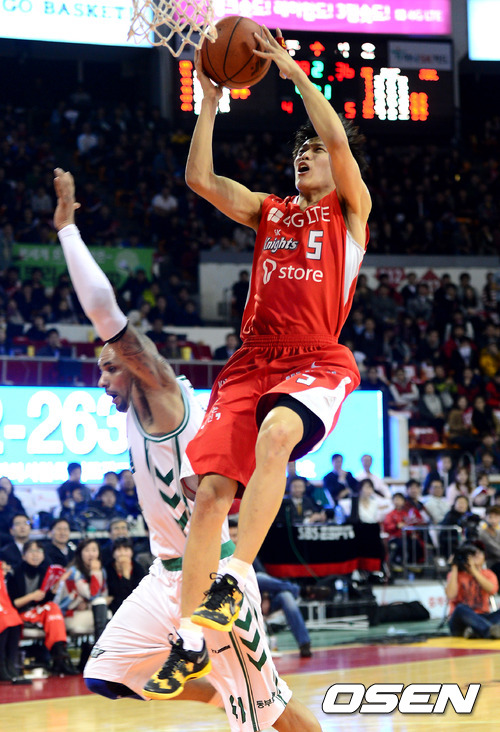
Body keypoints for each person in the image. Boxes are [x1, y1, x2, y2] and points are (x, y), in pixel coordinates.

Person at [53, 168, 320, 730]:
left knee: (272, 714)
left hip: (212, 580)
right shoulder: (135, 411)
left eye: (110, 368)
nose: (102, 381)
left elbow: (106, 315)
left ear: (137, 367)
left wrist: (67, 232)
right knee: (109, 673)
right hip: (163, 577)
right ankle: (222, 694)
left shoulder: (163, 398)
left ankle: (240, 695)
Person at [157, 30, 370, 690]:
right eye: (300, 151)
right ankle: (190, 637)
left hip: (316, 358)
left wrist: (296, 74)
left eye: (316, 151)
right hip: (252, 362)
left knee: (278, 433)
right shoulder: (270, 211)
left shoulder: (351, 213)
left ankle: (239, 573)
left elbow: (337, 141)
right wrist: (210, 101)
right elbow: (199, 179)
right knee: (209, 495)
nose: (307, 155)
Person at [229, 519, 312, 658]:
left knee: (286, 596)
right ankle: (300, 590)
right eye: (231, 536)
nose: (234, 539)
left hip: (260, 599)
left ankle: (304, 644)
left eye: (236, 535)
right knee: (257, 577)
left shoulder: (247, 553)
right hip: (238, 602)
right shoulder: (223, 557)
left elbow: (265, 579)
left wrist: (266, 597)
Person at [7, 541, 78, 675]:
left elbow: (44, 600)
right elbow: (12, 604)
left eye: (39, 551)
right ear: (23, 555)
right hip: (19, 613)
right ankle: (60, 658)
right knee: (52, 611)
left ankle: (59, 657)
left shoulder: (45, 571)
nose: (36, 555)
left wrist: (54, 590)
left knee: (53, 607)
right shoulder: (15, 572)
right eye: (32, 551)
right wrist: (31, 596)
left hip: (39, 613)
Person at [446, 543, 500, 639]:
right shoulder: (456, 574)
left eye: (479, 554)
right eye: (473, 555)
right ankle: (488, 631)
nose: (476, 557)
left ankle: (474, 631)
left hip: (482, 616)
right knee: (461, 608)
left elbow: (492, 590)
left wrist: (473, 570)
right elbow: (451, 595)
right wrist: (454, 567)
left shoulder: (488, 574)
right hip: (460, 619)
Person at [105, 538, 145, 615]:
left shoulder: (138, 568)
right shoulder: (108, 568)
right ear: (113, 553)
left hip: (135, 606)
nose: (122, 553)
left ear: (132, 552)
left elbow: (133, 594)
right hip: (113, 608)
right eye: (119, 550)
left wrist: (126, 573)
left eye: (126, 549)